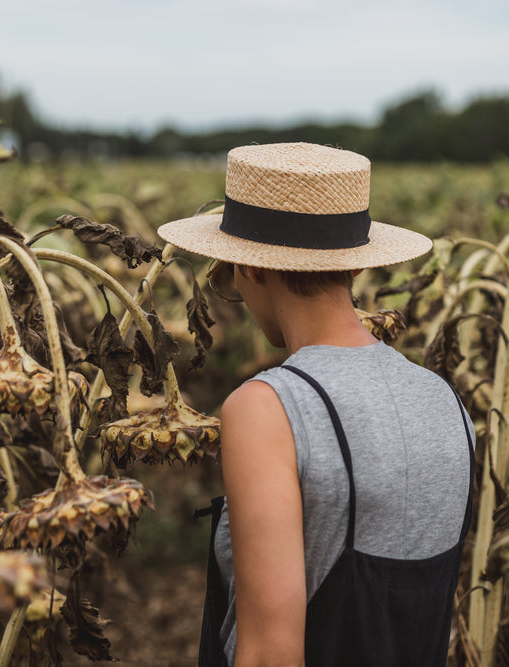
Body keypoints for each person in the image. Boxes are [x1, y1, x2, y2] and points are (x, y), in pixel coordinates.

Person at [157, 142, 475, 667]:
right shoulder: (445, 401)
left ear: (252, 269)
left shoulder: (269, 410)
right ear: (353, 267)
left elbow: (269, 655)